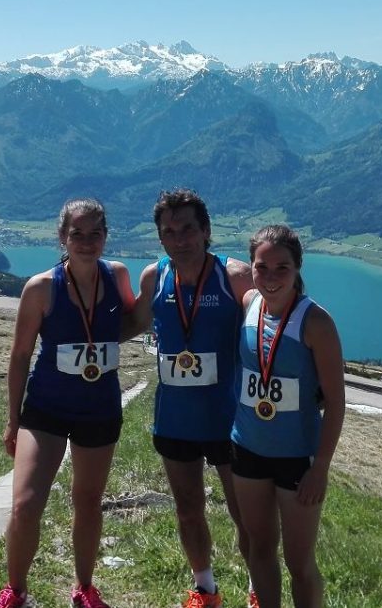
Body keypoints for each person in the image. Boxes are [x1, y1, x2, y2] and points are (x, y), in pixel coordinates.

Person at [0, 198, 136, 608]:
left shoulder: (118, 276)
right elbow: (20, 355)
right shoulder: (40, 287)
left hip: (100, 409)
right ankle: (15, 591)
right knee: (25, 503)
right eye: (78, 234)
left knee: (88, 501)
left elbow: (126, 322)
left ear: (106, 237)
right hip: (46, 409)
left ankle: (84, 587)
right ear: (62, 237)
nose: (87, 242)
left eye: (95, 233)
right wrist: (12, 420)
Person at [122, 189, 253, 607]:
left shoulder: (235, 277)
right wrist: (68, 325)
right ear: (160, 238)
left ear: (206, 231)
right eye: (169, 231)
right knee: (188, 511)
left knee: (245, 514)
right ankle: (205, 589)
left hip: (230, 419)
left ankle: (257, 591)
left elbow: (270, 328)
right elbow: (132, 324)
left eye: (188, 229)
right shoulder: (153, 277)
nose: (180, 239)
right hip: (176, 418)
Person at [231, 224, 346, 608]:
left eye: (282, 267)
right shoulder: (249, 303)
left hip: (297, 459)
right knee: (259, 549)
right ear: (251, 268)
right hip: (247, 449)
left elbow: (336, 401)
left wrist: (321, 468)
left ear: (298, 268)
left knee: (299, 563)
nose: (271, 277)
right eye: (262, 267)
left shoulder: (316, 323)